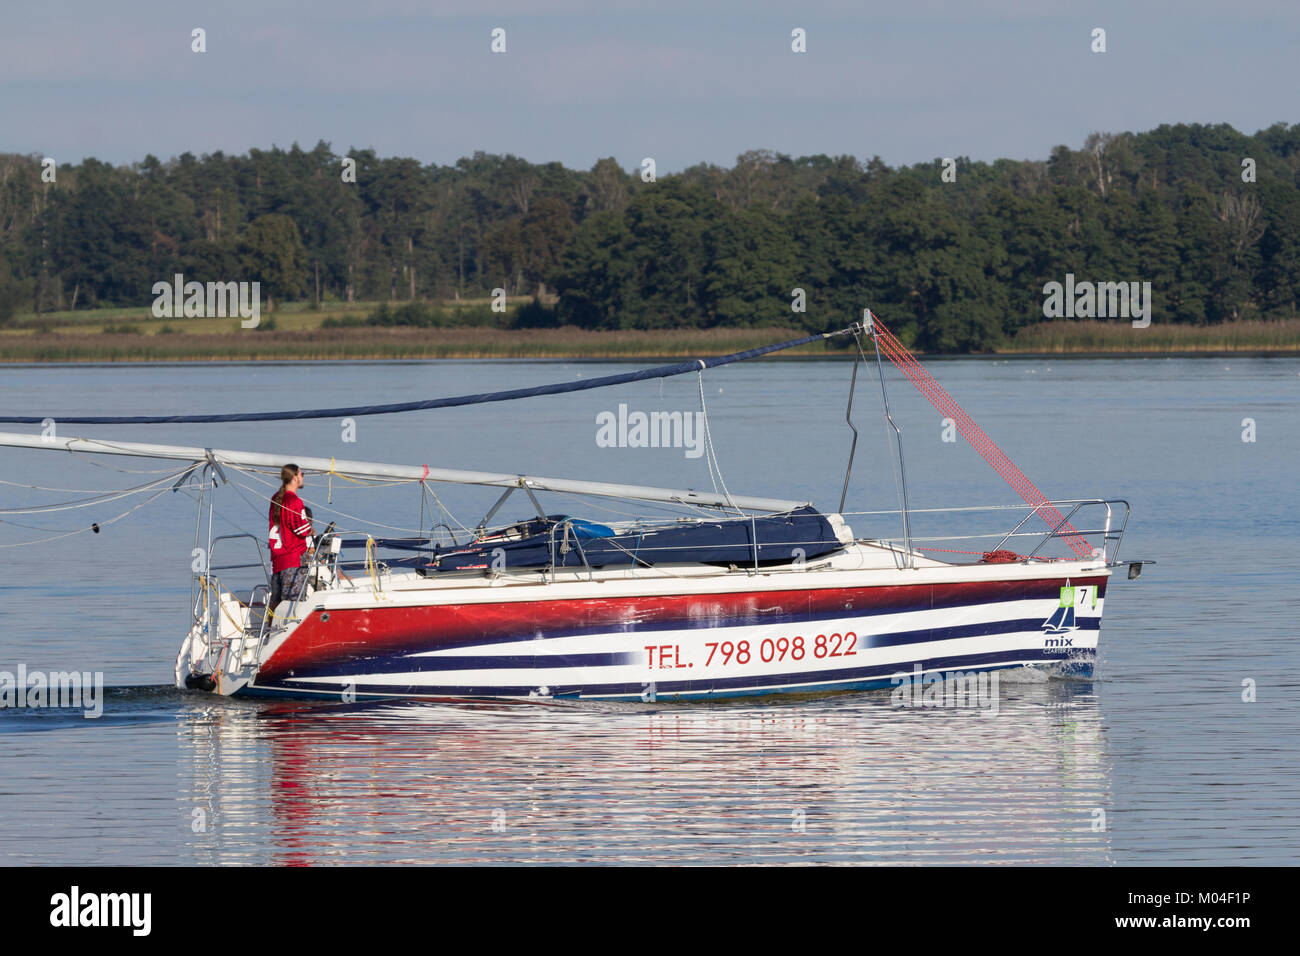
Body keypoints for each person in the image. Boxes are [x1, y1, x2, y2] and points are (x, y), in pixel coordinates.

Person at [267, 464, 313, 618]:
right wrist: (310, 529)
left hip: (278, 558)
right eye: (302, 473)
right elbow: (301, 530)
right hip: (293, 558)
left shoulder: (275, 498)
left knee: (277, 600)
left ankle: (269, 630)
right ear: (295, 476)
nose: (303, 477)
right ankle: (288, 632)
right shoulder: (294, 501)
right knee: (294, 603)